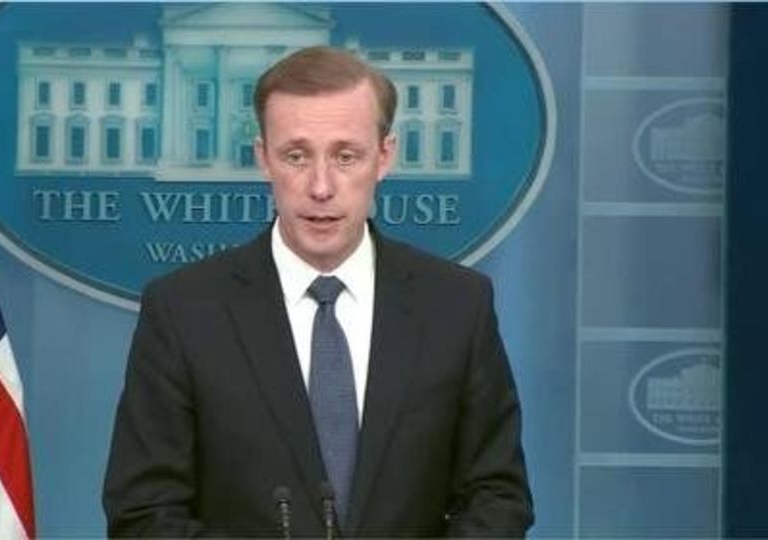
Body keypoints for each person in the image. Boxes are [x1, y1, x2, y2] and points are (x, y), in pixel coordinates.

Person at [103, 46, 533, 538]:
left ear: (385, 156)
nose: (321, 187)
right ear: (263, 158)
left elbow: (498, 498)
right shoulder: (183, 311)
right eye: (296, 156)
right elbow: (144, 514)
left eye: (346, 156)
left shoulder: (457, 305)